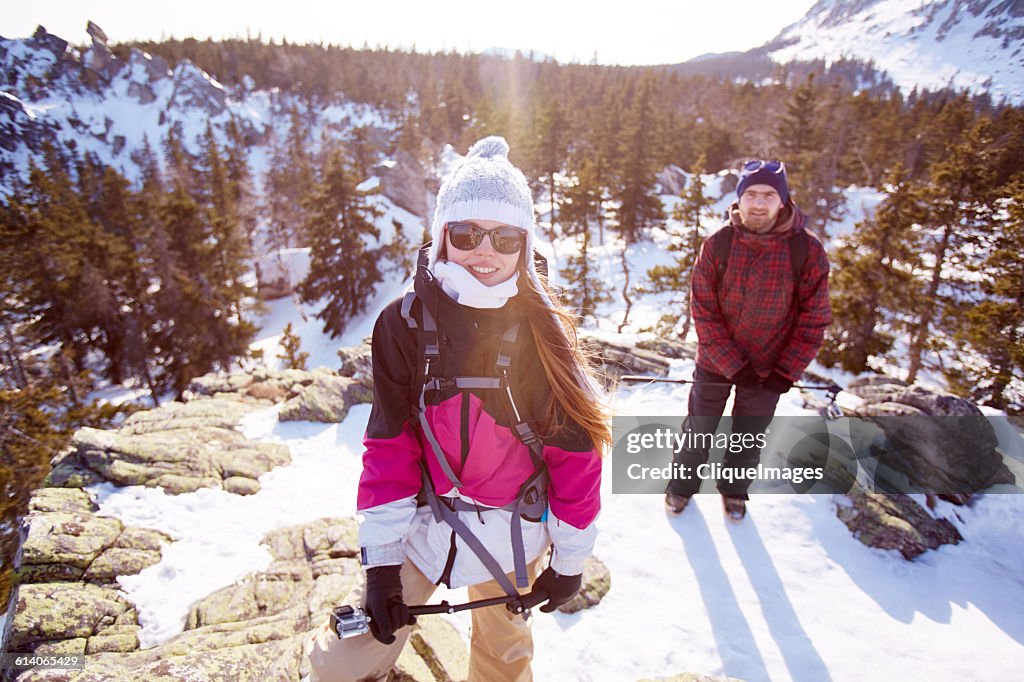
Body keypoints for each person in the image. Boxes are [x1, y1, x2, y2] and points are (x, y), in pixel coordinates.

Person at [306, 136, 609, 682]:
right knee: (338, 667)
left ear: (525, 245)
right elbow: (389, 447)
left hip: (515, 531)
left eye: (505, 237)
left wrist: (568, 563)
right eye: (467, 233)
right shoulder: (402, 324)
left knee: (503, 663)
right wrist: (380, 570)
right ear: (442, 234)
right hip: (424, 521)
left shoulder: (544, 334)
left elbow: (576, 458)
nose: (485, 251)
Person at [664, 159, 831, 521]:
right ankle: (681, 486)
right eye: (751, 193)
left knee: (748, 434)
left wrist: (785, 372)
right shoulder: (719, 244)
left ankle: (734, 490)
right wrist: (732, 364)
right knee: (700, 426)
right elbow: (704, 311)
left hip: (769, 369)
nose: (758, 203)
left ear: (782, 200)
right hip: (714, 360)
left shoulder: (806, 251)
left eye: (768, 195)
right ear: (739, 198)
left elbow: (813, 319)